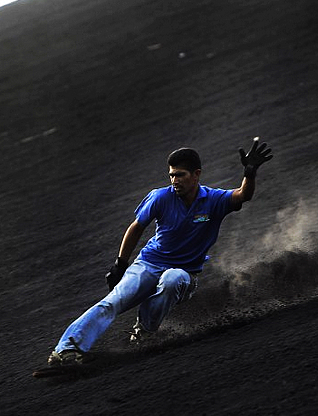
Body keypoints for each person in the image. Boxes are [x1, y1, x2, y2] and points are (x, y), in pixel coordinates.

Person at [47, 138, 273, 366]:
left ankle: (144, 331)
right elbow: (136, 227)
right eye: (172, 175)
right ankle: (66, 350)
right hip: (148, 264)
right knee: (112, 302)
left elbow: (243, 195)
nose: (175, 180)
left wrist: (250, 173)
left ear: (196, 174)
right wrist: (120, 264)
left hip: (185, 273)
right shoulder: (161, 197)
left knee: (172, 280)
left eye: (180, 175)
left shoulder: (213, 200)